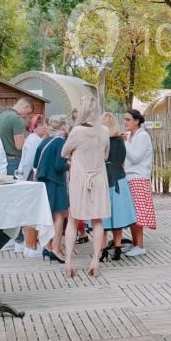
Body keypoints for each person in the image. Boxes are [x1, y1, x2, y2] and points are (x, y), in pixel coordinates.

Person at [62, 95, 110, 278]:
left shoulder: (77, 132)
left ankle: (68, 262)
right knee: (97, 220)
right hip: (98, 178)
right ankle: (95, 261)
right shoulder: (104, 131)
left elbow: (63, 152)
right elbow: (106, 155)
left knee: (74, 219)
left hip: (80, 178)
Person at [100, 112, 137, 261]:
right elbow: (122, 161)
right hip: (119, 181)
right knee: (118, 216)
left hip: (103, 181)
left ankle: (101, 249)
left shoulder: (99, 142)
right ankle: (117, 248)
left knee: (101, 218)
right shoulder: (120, 141)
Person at [34, 115, 70, 262]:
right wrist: (70, 164)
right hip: (56, 182)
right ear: (62, 126)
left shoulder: (45, 141)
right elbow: (59, 165)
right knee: (59, 216)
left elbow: (36, 162)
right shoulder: (61, 141)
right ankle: (55, 248)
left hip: (43, 182)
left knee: (48, 216)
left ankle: (48, 247)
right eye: (67, 125)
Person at [122, 109, 155, 256]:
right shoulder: (131, 135)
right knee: (132, 214)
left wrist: (125, 143)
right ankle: (135, 243)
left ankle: (140, 246)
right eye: (125, 119)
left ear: (136, 121)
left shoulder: (142, 136)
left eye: (128, 119)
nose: (125, 122)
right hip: (130, 177)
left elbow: (135, 157)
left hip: (139, 177)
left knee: (138, 214)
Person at [14, 112, 47, 258]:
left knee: (29, 211)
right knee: (32, 212)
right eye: (43, 125)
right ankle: (31, 246)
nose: (46, 127)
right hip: (32, 177)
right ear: (36, 127)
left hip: (28, 176)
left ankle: (29, 245)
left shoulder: (32, 139)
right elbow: (30, 162)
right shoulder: (35, 141)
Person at [0, 98, 34, 175]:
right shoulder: (17, 118)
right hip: (13, 162)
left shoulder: (1, 115)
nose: (26, 115)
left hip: (1, 160)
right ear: (26, 106)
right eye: (28, 112)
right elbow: (19, 146)